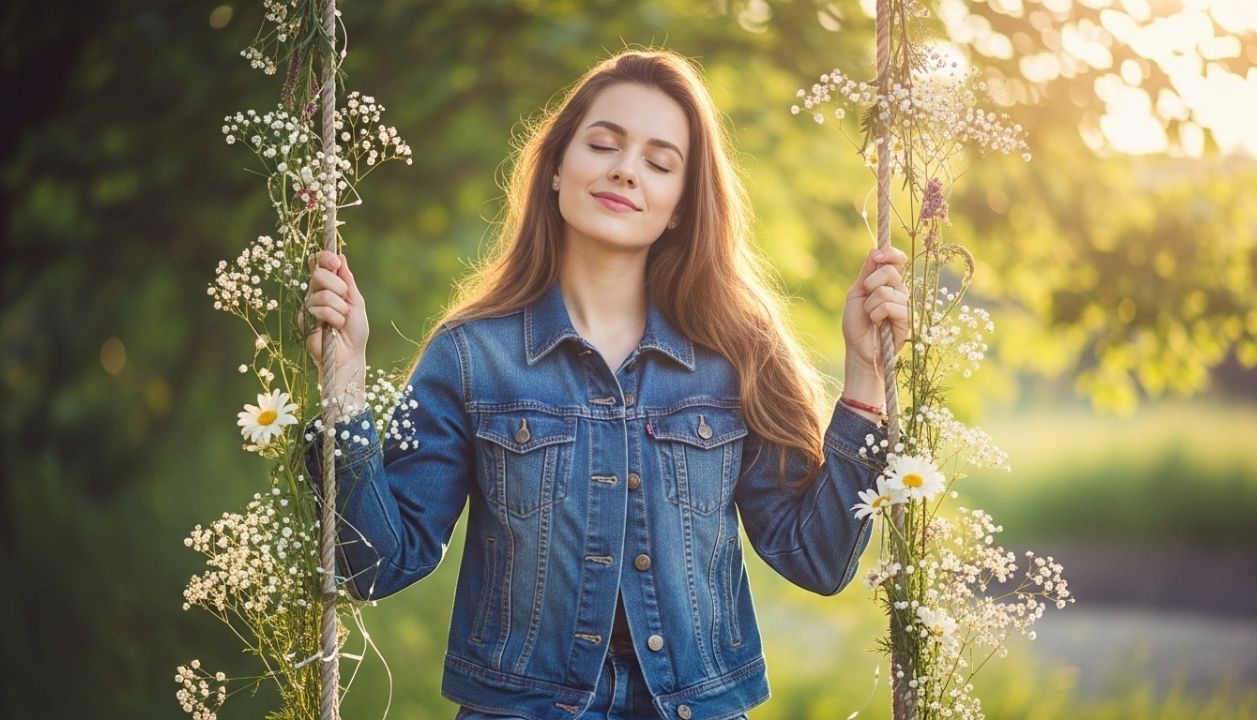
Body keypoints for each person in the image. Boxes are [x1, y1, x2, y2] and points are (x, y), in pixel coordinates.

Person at [301, 49, 909, 720]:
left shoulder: (734, 356)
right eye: (604, 144)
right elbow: (376, 565)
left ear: (680, 206)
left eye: (659, 161)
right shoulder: (472, 357)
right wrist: (346, 390)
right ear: (557, 168)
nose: (626, 169)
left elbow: (818, 560)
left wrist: (864, 374)